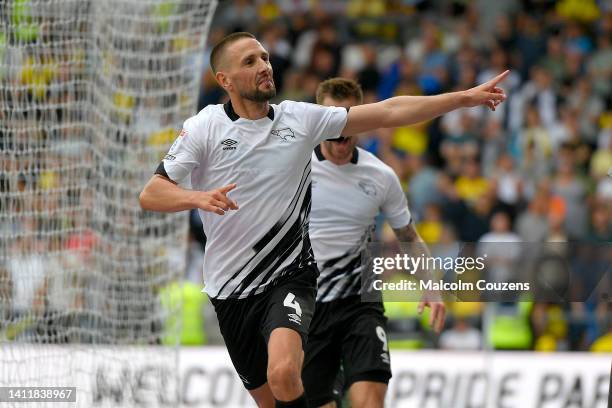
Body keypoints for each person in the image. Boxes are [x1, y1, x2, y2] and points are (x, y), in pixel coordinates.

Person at [139, 31, 508, 408]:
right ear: (225, 80)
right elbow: (151, 193)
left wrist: (464, 98)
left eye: (264, 57)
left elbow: (389, 111)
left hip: (293, 277)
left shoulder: (300, 120)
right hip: (229, 291)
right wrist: (196, 197)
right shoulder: (205, 127)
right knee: (274, 400)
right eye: (250, 61)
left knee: (284, 373)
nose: (264, 66)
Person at [302, 78, 446, 408]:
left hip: (360, 304)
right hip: (310, 308)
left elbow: (409, 236)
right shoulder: (295, 168)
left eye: (350, 116)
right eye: (332, 117)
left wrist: (431, 286)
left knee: (370, 402)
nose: (341, 127)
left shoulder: (380, 175)